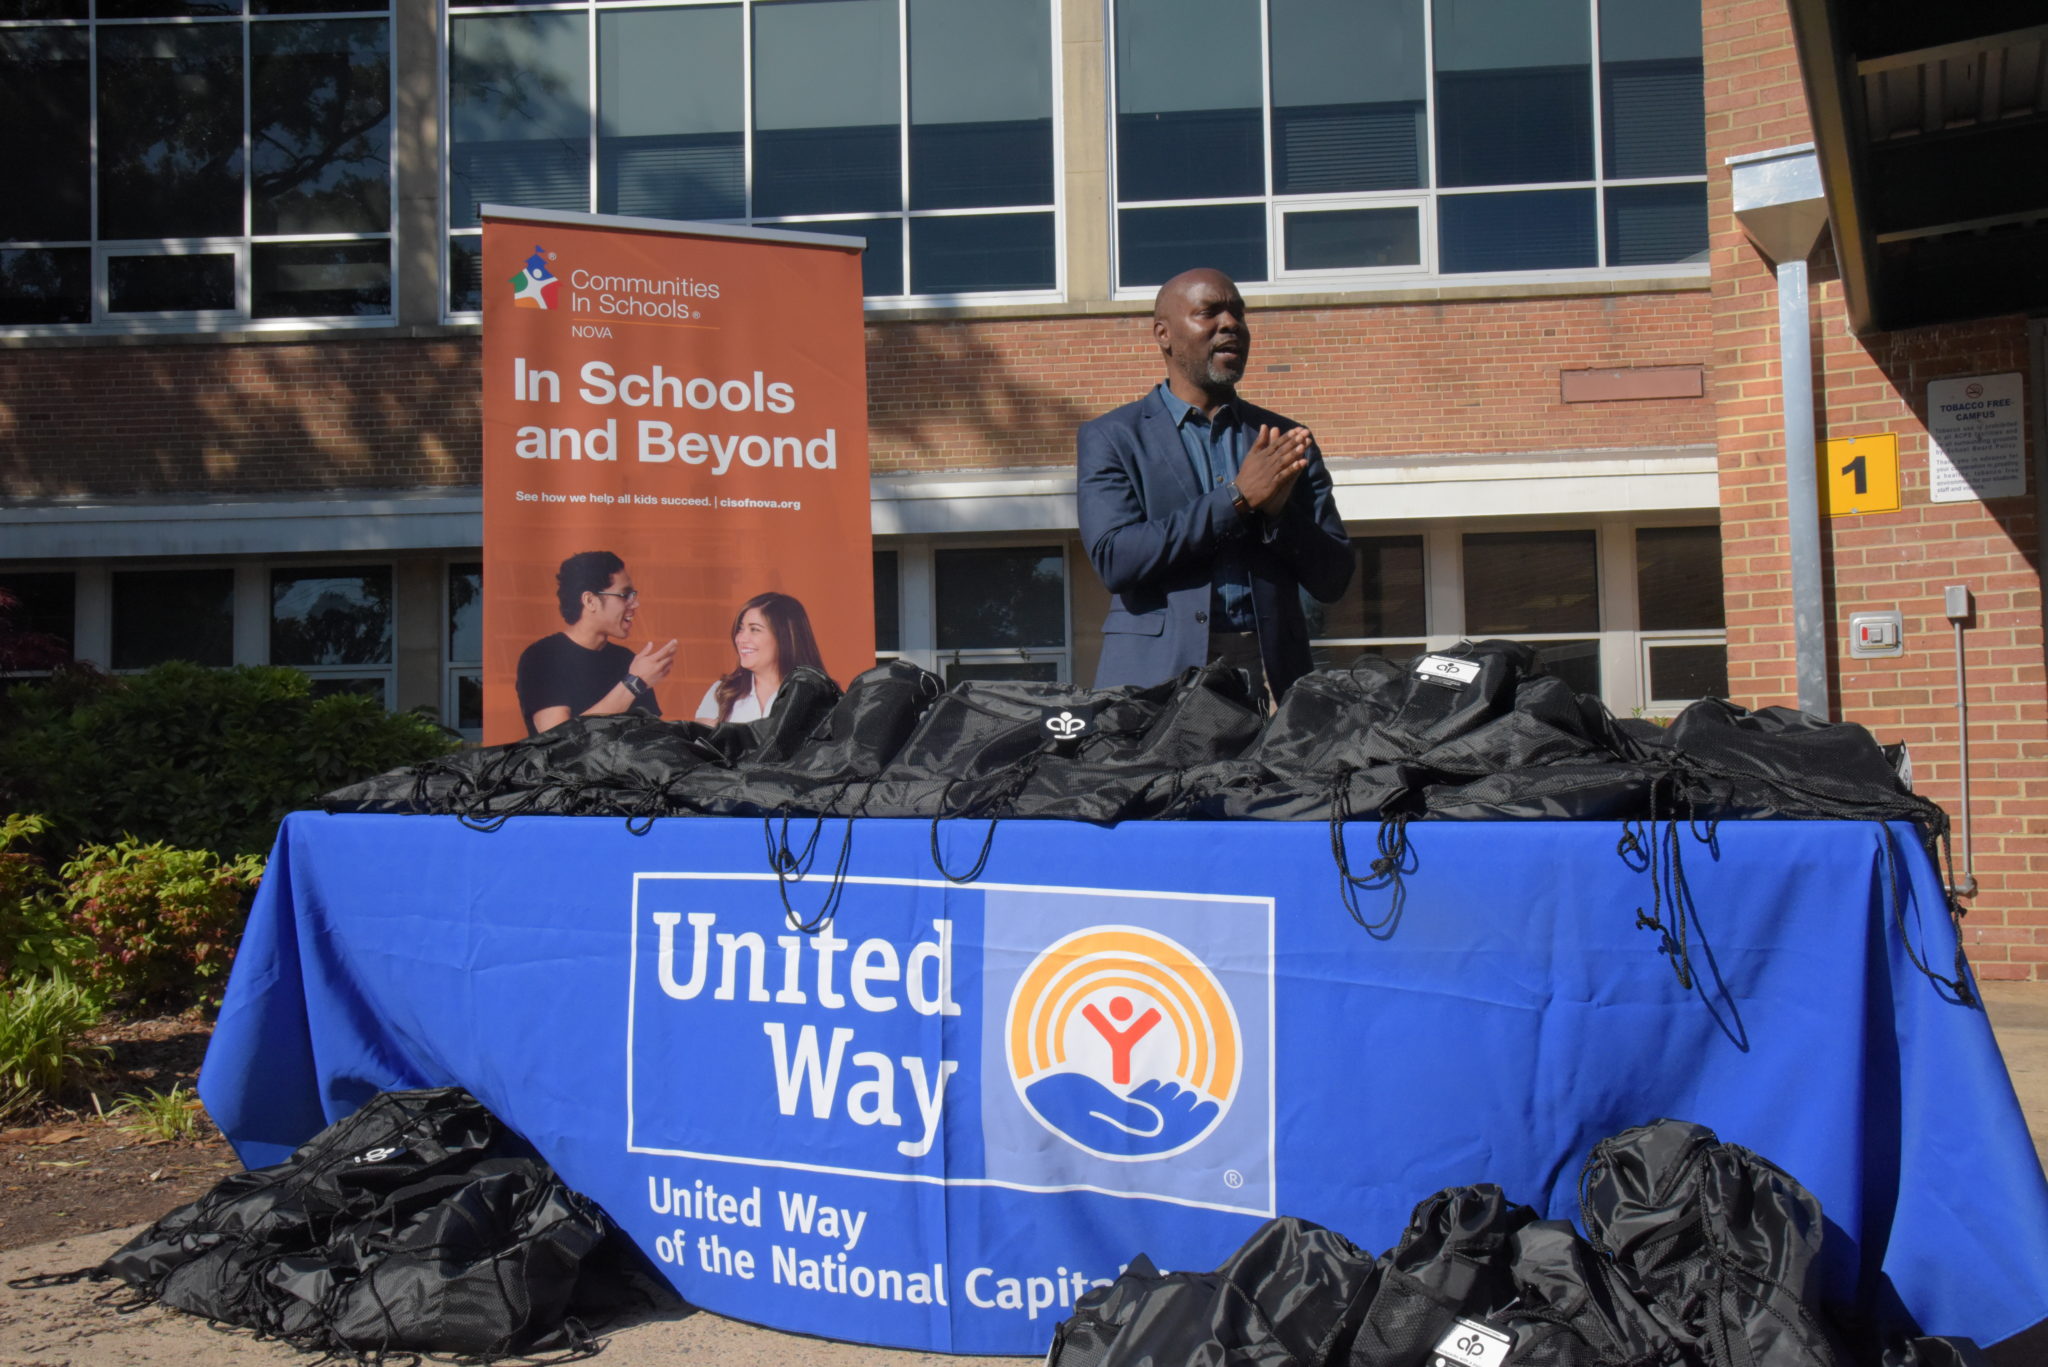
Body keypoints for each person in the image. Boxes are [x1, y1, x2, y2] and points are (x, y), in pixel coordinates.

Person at [1076, 267, 1352, 701]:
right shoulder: (1112, 437)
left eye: (1238, 314)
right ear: (1164, 334)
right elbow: (1116, 559)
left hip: (1272, 680)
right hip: (1154, 681)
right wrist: (1237, 499)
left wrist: (1279, 514)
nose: (1231, 325)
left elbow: (1334, 579)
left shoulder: (1286, 439)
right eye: (1209, 313)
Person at [515, 550, 677, 736]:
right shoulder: (542, 657)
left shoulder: (626, 660)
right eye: (625, 595)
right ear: (590, 601)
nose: (635, 604)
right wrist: (634, 684)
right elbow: (558, 741)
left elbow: (652, 738)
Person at [696, 591, 828, 725]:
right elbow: (698, 744)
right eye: (740, 629)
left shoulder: (818, 697)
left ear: (784, 637)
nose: (741, 639)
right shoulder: (723, 692)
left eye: (754, 629)